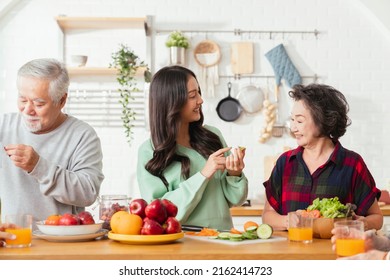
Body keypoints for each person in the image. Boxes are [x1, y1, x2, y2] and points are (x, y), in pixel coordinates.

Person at [137, 65, 248, 231]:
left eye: (199, 92)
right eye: (192, 95)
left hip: (224, 239)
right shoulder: (149, 151)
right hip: (182, 241)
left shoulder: (212, 136)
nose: (200, 100)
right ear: (171, 102)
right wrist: (204, 174)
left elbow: (235, 199)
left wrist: (234, 173)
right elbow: (160, 213)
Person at [262, 83, 383, 230]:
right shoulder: (285, 162)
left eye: (299, 121)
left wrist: (361, 223)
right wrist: (287, 221)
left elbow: (377, 217)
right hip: (291, 251)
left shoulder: (352, 163)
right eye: (292, 120)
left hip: (336, 250)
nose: (293, 128)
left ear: (323, 120)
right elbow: (267, 216)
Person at [0, 58, 104, 225]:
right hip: (13, 239)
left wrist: (38, 166)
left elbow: (88, 192)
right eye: (23, 100)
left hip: (61, 241)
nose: (27, 110)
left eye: (38, 103)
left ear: (62, 101)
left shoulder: (82, 135)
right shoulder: (4, 126)